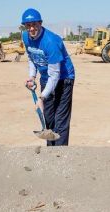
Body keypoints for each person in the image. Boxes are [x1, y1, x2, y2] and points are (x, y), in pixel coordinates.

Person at [22, 8, 75, 146]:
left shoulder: (51, 42)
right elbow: (31, 57)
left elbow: (55, 74)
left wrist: (41, 97)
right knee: (49, 117)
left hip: (64, 78)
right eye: (28, 26)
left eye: (35, 24)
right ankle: (50, 153)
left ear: (40, 23)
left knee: (60, 119)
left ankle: (60, 155)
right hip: (46, 78)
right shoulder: (25, 37)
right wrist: (32, 76)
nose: (32, 28)